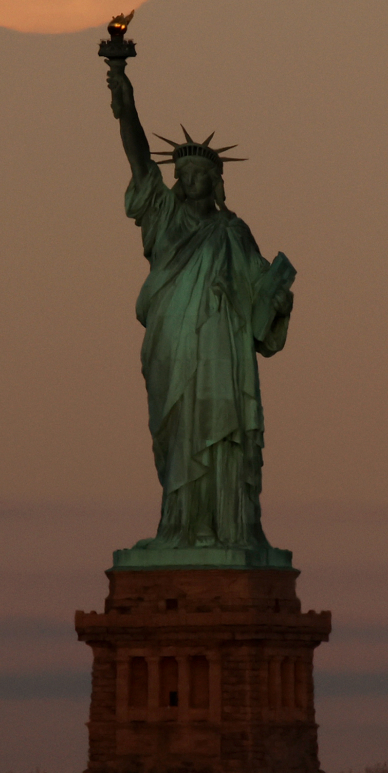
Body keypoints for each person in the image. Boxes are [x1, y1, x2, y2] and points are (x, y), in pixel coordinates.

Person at [105, 54, 295, 556]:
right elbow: (139, 160)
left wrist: (276, 296)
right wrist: (126, 106)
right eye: (183, 173)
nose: (190, 180)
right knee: (177, 433)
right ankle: (181, 526)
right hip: (171, 340)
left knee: (219, 432)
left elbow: (260, 299)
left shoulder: (233, 232)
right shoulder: (163, 216)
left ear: (215, 181)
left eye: (199, 174)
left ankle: (223, 529)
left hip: (220, 352)